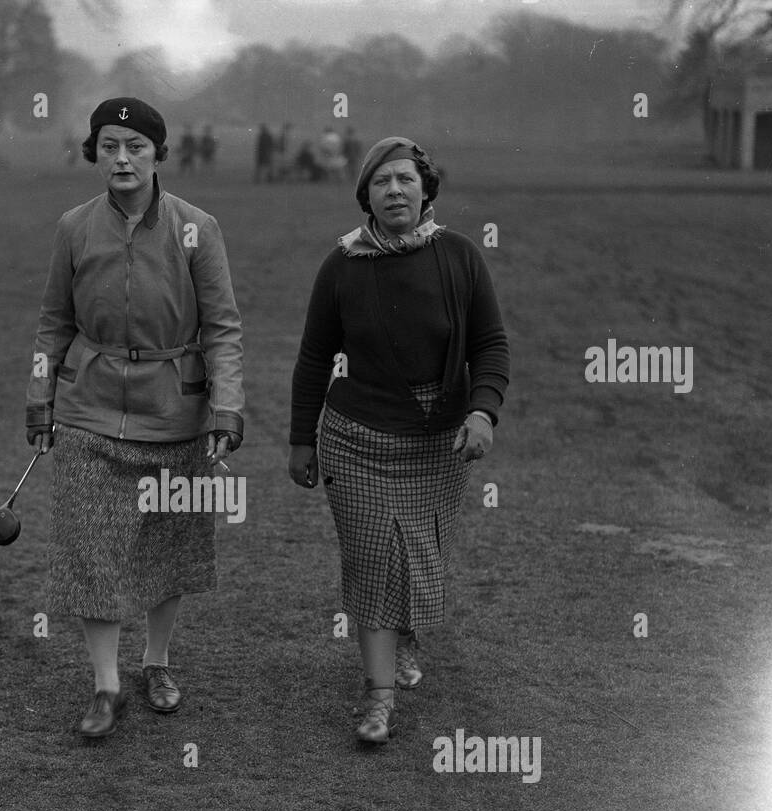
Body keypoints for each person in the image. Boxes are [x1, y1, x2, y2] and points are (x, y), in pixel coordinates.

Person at [25, 98, 246, 738]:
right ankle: (105, 685)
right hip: (87, 410)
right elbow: (52, 325)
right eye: (110, 145)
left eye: (136, 146)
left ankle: (157, 662)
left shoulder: (197, 227)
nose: (122, 158)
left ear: (158, 155)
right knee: (93, 548)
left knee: (165, 545)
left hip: (175, 411)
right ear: (94, 153)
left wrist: (226, 405)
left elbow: (224, 328)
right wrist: (38, 398)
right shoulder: (73, 227)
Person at [288, 136, 510, 745]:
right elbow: (314, 358)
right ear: (366, 196)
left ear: (426, 189)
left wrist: (483, 412)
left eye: (405, 180)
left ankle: (404, 630)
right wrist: (300, 440)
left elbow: (491, 345)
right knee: (373, 558)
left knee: (417, 553)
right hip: (356, 439)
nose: (395, 192)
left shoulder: (461, 258)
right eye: (381, 182)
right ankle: (378, 698)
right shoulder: (342, 266)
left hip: (439, 446)